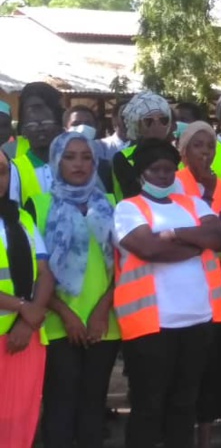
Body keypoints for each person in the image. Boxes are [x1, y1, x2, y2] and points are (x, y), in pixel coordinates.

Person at [113, 138, 221, 448]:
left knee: (184, 404)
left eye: (169, 169)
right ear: (141, 174)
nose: (164, 176)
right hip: (152, 325)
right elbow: (149, 248)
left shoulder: (192, 203)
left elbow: (219, 235)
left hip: (198, 319)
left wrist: (176, 234)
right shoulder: (128, 208)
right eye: (155, 170)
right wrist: (196, 245)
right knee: (149, 407)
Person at [26, 132, 119, 448]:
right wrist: (66, 314)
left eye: (86, 157)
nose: (79, 164)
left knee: (93, 406)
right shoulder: (38, 205)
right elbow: (34, 274)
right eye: (70, 157)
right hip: (55, 323)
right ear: (56, 161)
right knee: (60, 405)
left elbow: (122, 266)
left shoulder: (111, 204)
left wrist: (102, 310)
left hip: (103, 323)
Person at [173, 122, 221, 448]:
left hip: (220, 279)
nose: (205, 152)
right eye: (198, 146)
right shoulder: (173, 183)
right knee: (190, 364)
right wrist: (206, 238)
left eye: (210, 147)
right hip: (184, 278)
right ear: (184, 150)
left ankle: (219, 428)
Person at [0, 150, 55, 448]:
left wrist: (27, 319)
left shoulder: (21, 217)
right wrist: (24, 308)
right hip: (18, 326)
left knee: (20, 421)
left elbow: (44, 271)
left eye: (2, 171)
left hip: (24, 339)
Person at [112, 91, 174, 201]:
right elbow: (135, 194)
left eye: (163, 120)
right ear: (136, 124)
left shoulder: (178, 156)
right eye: (148, 120)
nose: (157, 125)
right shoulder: (123, 158)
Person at [3, 82, 64, 160]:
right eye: (32, 123)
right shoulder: (9, 152)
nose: (40, 128)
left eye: (46, 121)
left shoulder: (73, 149)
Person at [62, 106, 113, 190]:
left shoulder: (107, 168)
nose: (82, 128)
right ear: (65, 130)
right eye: (76, 124)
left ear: (96, 128)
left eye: (88, 124)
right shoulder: (56, 168)